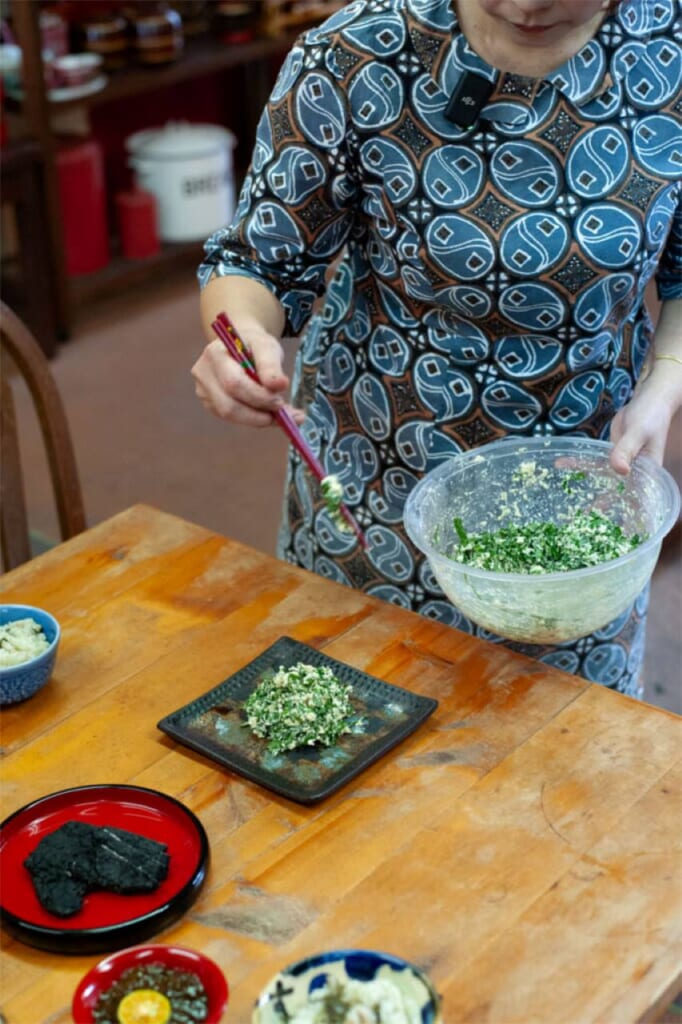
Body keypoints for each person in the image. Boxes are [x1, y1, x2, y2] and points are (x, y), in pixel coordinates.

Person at [192, 0, 682, 697]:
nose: (524, 7)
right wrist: (240, 340)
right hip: (378, 498)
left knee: (561, 761)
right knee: (358, 745)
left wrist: (662, 391)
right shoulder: (355, 54)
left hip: (587, 506)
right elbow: (257, 260)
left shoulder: (670, 50)